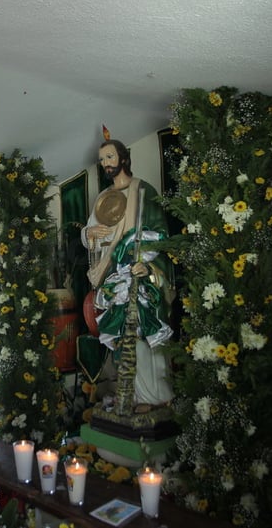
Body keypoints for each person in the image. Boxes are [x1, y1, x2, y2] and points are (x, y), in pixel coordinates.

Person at [81, 139, 175, 415]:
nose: (106, 163)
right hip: (114, 277)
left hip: (140, 275)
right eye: (102, 159)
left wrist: (149, 266)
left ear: (123, 158)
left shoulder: (144, 191)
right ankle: (131, 395)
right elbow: (91, 237)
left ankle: (156, 396)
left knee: (145, 338)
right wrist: (90, 235)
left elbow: (160, 236)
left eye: (110, 156)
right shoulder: (103, 199)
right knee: (123, 340)